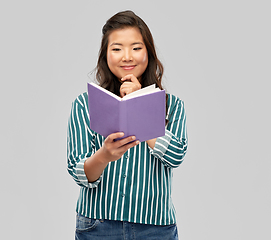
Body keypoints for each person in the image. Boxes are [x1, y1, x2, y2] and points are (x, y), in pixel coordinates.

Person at [67, 10, 188, 240]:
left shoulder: (171, 105)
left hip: (155, 228)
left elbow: (176, 155)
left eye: (136, 47)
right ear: (106, 55)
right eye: (117, 48)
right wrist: (103, 155)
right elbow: (77, 170)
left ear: (148, 52)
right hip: (97, 225)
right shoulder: (85, 104)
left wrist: (139, 106)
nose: (127, 56)